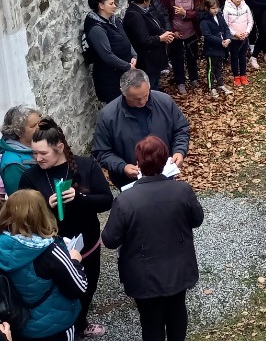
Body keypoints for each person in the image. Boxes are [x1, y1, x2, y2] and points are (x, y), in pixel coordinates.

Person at [102, 136, 204, 341]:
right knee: (177, 312)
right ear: (165, 160)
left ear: (138, 164)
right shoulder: (182, 190)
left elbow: (110, 240)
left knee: (151, 322)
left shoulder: (125, 200)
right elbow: (197, 219)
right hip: (178, 269)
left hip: (143, 275)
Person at [19, 117, 113, 339]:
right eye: (34, 153)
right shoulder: (29, 177)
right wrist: (45, 207)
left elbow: (107, 201)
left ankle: (81, 323)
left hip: (87, 246)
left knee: (87, 288)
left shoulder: (86, 166)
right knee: (59, 294)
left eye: (44, 153)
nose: (38, 158)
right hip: (51, 252)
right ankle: (67, 329)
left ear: (60, 147)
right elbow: (23, 219)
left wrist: (81, 198)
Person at [0, 189, 88, 341]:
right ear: (42, 212)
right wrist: (74, 260)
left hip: (15, 323)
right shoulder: (50, 250)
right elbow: (79, 287)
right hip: (54, 327)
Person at [92, 68, 190, 189]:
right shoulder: (108, 116)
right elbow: (101, 151)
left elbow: (181, 129)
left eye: (146, 95)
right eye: (137, 99)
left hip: (165, 176)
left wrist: (179, 151)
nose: (143, 101)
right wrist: (122, 167)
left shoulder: (165, 102)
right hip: (129, 183)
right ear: (124, 93)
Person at [84, 0, 137, 104]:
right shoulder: (96, 29)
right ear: (101, 6)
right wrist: (127, 66)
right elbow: (106, 55)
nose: (114, 6)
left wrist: (133, 55)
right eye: (111, 3)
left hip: (123, 73)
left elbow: (125, 39)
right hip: (110, 79)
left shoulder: (114, 20)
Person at [123, 0, 173, 90]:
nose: (151, 2)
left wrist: (164, 33)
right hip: (147, 62)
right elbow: (143, 40)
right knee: (151, 87)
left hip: (153, 60)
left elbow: (154, 25)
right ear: (145, 0)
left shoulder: (142, 11)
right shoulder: (134, 16)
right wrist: (161, 38)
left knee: (155, 84)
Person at [162, 0, 200, 95]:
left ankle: (194, 78)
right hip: (175, 32)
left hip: (191, 31)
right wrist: (172, 31)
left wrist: (186, 13)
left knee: (192, 56)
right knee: (177, 58)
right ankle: (180, 82)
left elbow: (199, 13)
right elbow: (165, 15)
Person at [0, 106, 41, 196]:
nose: (40, 127)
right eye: (34, 125)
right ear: (18, 132)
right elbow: (21, 201)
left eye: (40, 123)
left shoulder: (39, 145)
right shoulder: (13, 163)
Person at [200, 0, 233, 99]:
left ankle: (220, 84)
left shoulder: (219, 16)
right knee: (211, 68)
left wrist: (228, 38)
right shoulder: (204, 21)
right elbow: (207, 36)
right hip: (211, 49)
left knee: (219, 67)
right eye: (213, 8)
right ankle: (211, 87)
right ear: (207, 8)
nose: (215, 10)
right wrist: (221, 41)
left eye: (217, 8)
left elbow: (226, 28)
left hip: (222, 47)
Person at [224, 0, 254, 87]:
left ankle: (243, 75)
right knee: (234, 57)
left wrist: (246, 32)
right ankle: (236, 76)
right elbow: (226, 24)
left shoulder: (246, 7)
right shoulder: (226, 9)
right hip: (234, 39)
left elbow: (250, 21)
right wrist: (235, 34)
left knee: (243, 56)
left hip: (244, 37)